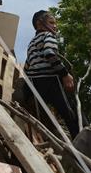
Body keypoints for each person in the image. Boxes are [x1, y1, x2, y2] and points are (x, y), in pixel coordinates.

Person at [24, 10, 79, 138]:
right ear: (39, 23)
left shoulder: (31, 43)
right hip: (51, 80)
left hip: (35, 84)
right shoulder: (48, 35)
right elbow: (49, 53)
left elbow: (27, 66)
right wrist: (65, 74)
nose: (55, 26)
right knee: (70, 114)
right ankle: (80, 143)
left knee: (43, 116)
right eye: (51, 22)